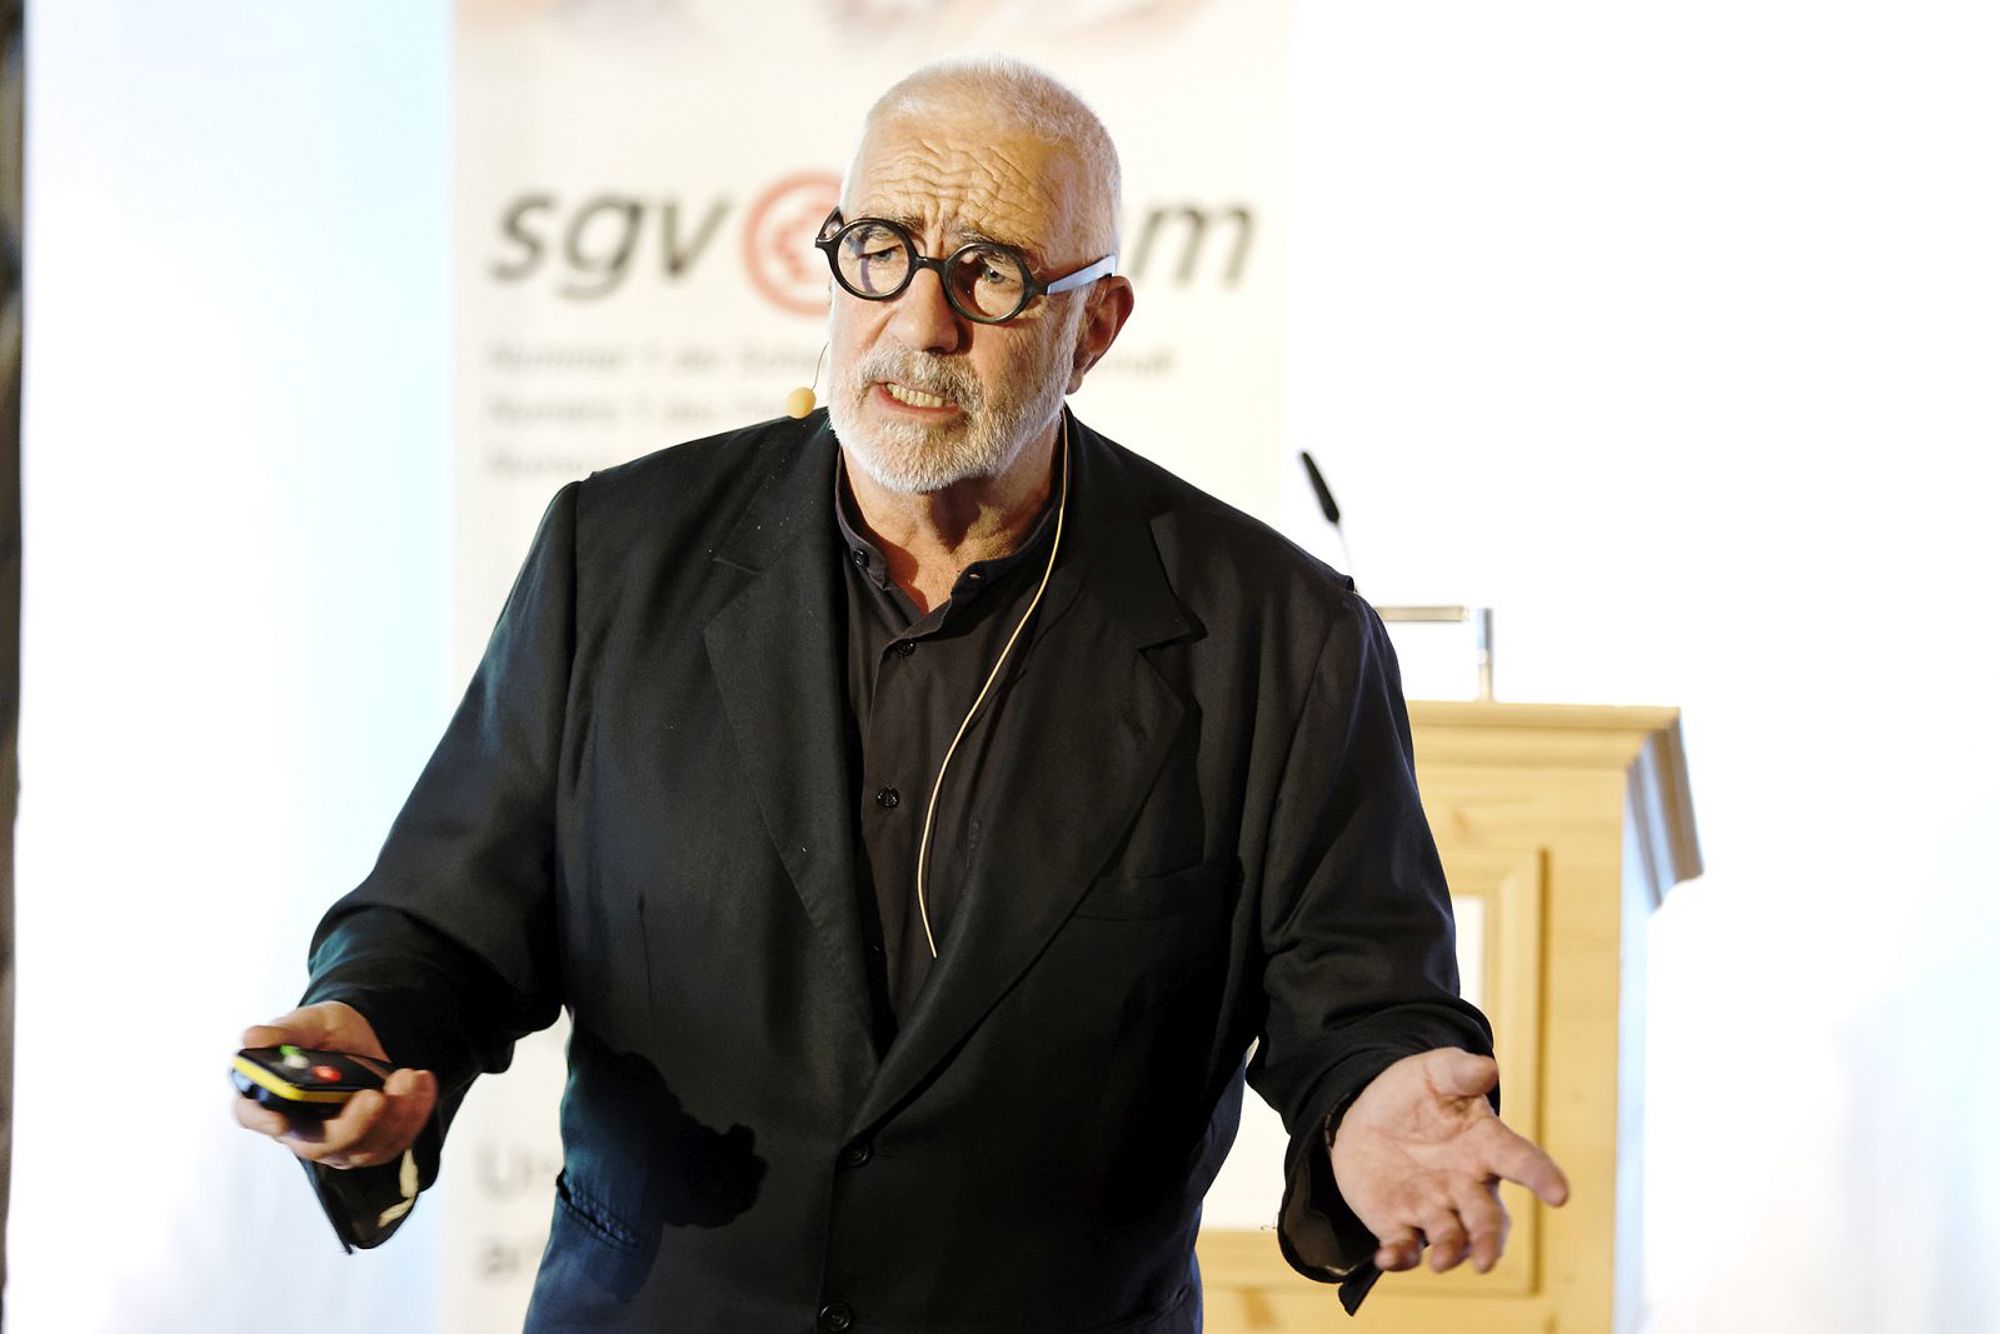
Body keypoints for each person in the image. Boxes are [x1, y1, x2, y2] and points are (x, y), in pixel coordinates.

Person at [235, 55, 1568, 1333]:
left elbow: (1360, 996)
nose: (922, 323)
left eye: (992, 273)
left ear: (1096, 327)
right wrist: (363, 1029)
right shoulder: (618, 556)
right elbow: (444, 924)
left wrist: (1375, 1098)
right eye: (881, 250)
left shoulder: (1278, 636)